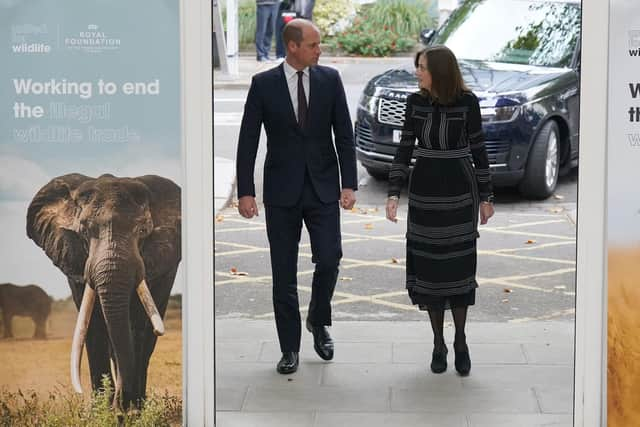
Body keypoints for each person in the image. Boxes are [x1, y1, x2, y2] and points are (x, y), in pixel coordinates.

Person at [236, 19, 357, 375]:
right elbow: (247, 143)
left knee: (331, 258)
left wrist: (348, 184)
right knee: (283, 275)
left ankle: (318, 321)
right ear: (293, 47)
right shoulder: (263, 85)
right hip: (281, 192)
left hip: (322, 189)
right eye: (314, 44)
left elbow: (345, 137)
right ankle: (289, 348)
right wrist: (246, 192)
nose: (320, 50)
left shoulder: (330, 80)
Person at [385, 45, 495, 376]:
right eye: (417, 66)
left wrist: (487, 195)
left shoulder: (467, 102)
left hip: (460, 192)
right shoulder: (415, 103)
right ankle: (438, 342)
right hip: (425, 192)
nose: (417, 72)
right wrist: (393, 193)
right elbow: (405, 148)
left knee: (458, 269)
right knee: (430, 271)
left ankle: (460, 340)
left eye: (422, 67)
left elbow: (479, 149)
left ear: (440, 70)